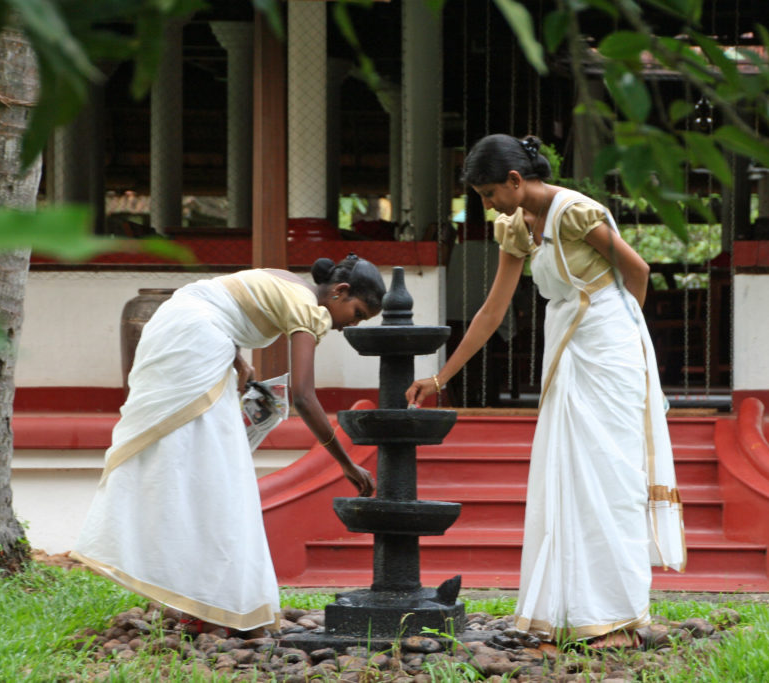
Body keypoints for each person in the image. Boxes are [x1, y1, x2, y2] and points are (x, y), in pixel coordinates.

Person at [406, 134, 686, 648]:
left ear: (515, 181)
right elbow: (493, 310)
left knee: (610, 475)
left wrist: (624, 338)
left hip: (609, 347)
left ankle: (621, 619)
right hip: (568, 349)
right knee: (570, 477)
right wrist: (440, 377)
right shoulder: (515, 225)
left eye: (490, 193)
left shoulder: (576, 212)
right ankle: (574, 611)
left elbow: (638, 271)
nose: (487, 204)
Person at [73, 255, 383, 636]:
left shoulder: (289, 281)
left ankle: (199, 598)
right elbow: (303, 396)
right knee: (217, 479)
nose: (352, 324)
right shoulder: (308, 308)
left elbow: (218, 299)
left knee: (192, 471)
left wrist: (236, 356)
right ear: (340, 291)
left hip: (174, 327)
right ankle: (222, 604)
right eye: (358, 312)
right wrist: (346, 464)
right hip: (194, 345)